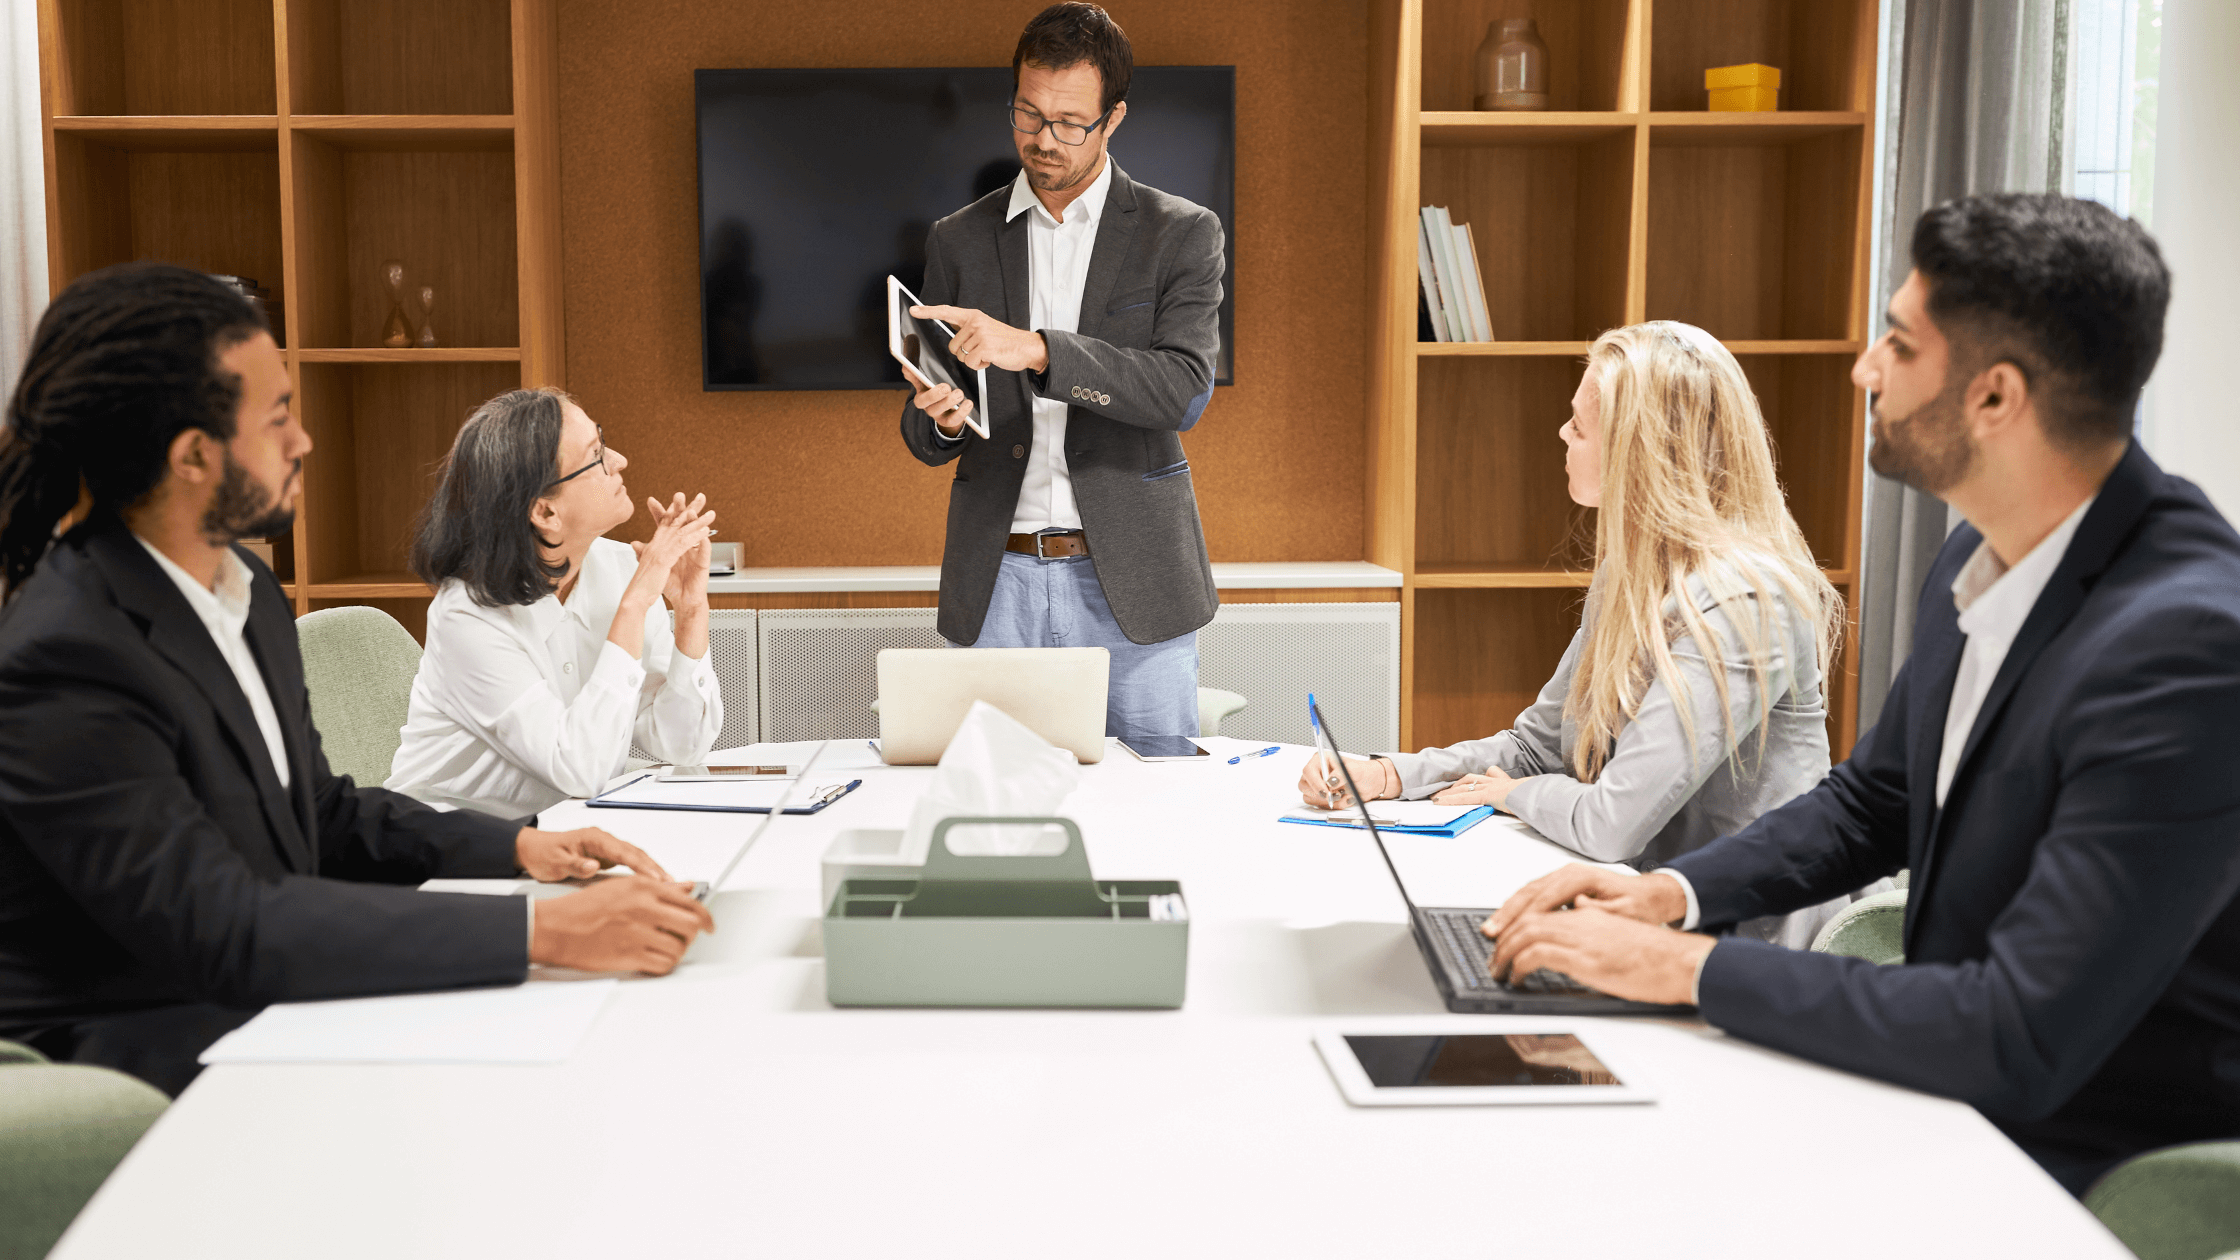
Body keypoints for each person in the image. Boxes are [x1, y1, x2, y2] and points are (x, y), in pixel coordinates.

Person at [1482, 194, 2240, 1195]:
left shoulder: (2185, 647)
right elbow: (1869, 802)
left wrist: (1685, 969)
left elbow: (2017, 1029)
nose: (1862, 369)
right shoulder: (1977, 555)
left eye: (1896, 343)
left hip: (2079, 1165)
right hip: (1945, 1096)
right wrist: (1669, 896)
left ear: (1993, 397)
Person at [0, 264, 714, 1095]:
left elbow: (322, 812)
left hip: (255, 995)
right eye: (276, 420)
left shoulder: (243, 592)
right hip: (129, 1060)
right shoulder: (68, 654)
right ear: (193, 455)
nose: (302, 442)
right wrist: (537, 931)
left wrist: (520, 848)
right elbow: (224, 925)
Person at [1304, 321, 1878, 947]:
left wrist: (1518, 796)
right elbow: (1534, 747)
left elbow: (1611, 823)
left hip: (1745, 944)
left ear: (1641, 452)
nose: (1562, 434)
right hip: (1643, 913)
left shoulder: (1746, 604)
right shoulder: (1630, 573)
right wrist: (1389, 775)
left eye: (1579, 426)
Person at [898, 2, 1225, 742]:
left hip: (1135, 584)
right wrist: (942, 419)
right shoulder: (960, 237)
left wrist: (1040, 350)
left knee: (1154, 819)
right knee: (996, 823)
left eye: (1070, 122)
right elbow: (922, 422)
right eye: (1027, 113)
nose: (1043, 140)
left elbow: (1181, 390)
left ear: (1113, 119)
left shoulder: (1182, 234)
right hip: (998, 580)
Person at [385, 388, 723, 817]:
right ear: (545, 513)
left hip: (563, 829)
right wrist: (636, 604)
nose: (619, 460)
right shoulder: (466, 616)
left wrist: (691, 610)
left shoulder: (620, 567)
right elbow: (578, 768)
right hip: (452, 845)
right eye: (597, 455)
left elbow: (680, 745)